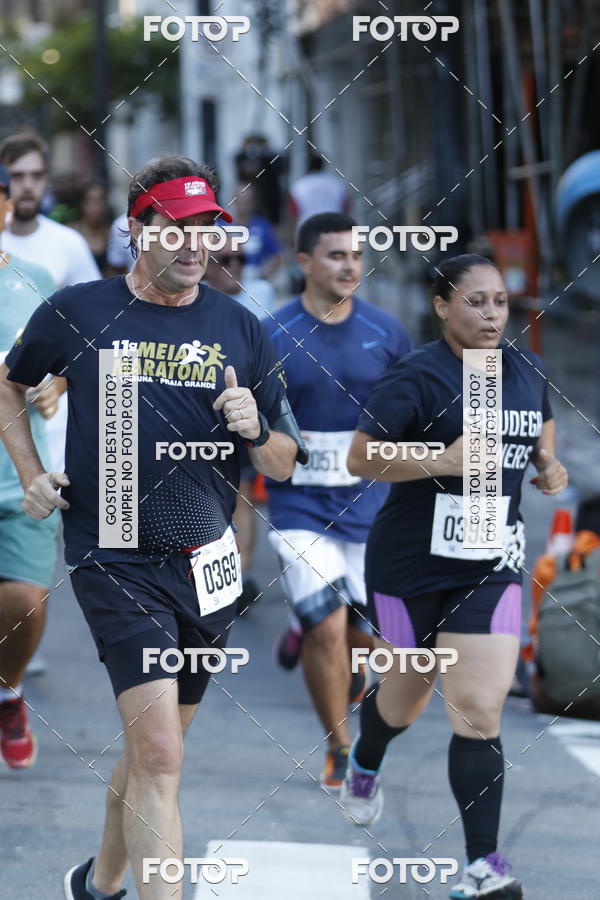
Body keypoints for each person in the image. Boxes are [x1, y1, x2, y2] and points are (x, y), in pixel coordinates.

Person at [0, 154, 304, 900]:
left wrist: (254, 426)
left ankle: (98, 885)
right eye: (177, 228)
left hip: (208, 563)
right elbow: (12, 382)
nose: (197, 245)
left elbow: (287, 461)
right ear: (139, 231)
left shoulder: (242, 327)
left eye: (207, 228)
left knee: (150, 756)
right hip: (115, 556)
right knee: (163, 755)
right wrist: (31, 470)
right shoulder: (79, 309)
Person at [341, 254, 568, 899]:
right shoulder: (418, 376)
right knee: (408, 693)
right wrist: (440, 458)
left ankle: (481, 866)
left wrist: (548, 467)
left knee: (478, 706)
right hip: (409, 565)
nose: (493, 314)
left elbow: (540, 432)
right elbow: (363, 458)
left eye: (500, 302)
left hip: (492, 564)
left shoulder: (525, 371)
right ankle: (368, 754)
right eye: (476, 301)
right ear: (443, 306)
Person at [264, 212, 412, 788]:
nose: (350, 265)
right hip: (299, 508)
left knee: (366, 638)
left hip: (371, 508)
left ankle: (323, 642)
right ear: (304, 262)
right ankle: (339, 745)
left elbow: (411, 413)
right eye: (335, 256)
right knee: (327, 628)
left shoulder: (387, 332)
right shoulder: (273, 333)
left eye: (355, 255)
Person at [0, 164, 61, 768]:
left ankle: (7, 691)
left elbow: (75, 355)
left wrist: (58, 386)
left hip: (21, 478)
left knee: (24, 602)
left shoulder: (35, 280)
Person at [0, 132, 101, 476]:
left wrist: (58, 383)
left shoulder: (67, 244)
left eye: (36, 176)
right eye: (16, 176)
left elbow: (94, 333)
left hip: (49, 429)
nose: (27, 186)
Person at [204, 237, 277, 609]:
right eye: (223, 259)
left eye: (240, 258)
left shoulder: (261, 294)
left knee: (243, 496)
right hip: (201, 412)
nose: (232, 265)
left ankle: (242, 573)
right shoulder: (192, 298)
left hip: (247, 412)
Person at [288, 152, 350, 229]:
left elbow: (294, 211)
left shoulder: (299, 186)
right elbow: (346, 207)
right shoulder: (337, 184)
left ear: (308, 166)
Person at [234, 183, 283, 280]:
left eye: (247, 201)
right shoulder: (223, 226)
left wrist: (265, 273)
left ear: (253, 202)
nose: (243, 204)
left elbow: (279, 255)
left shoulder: (262, 226)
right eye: (240, 200)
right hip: (229, 280)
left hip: (255, 278)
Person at [70, 180, 111, 275]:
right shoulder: (71, 233)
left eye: (101, 200)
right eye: (91, 201)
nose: (97, 206)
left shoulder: (111, 233)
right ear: (81, 204)